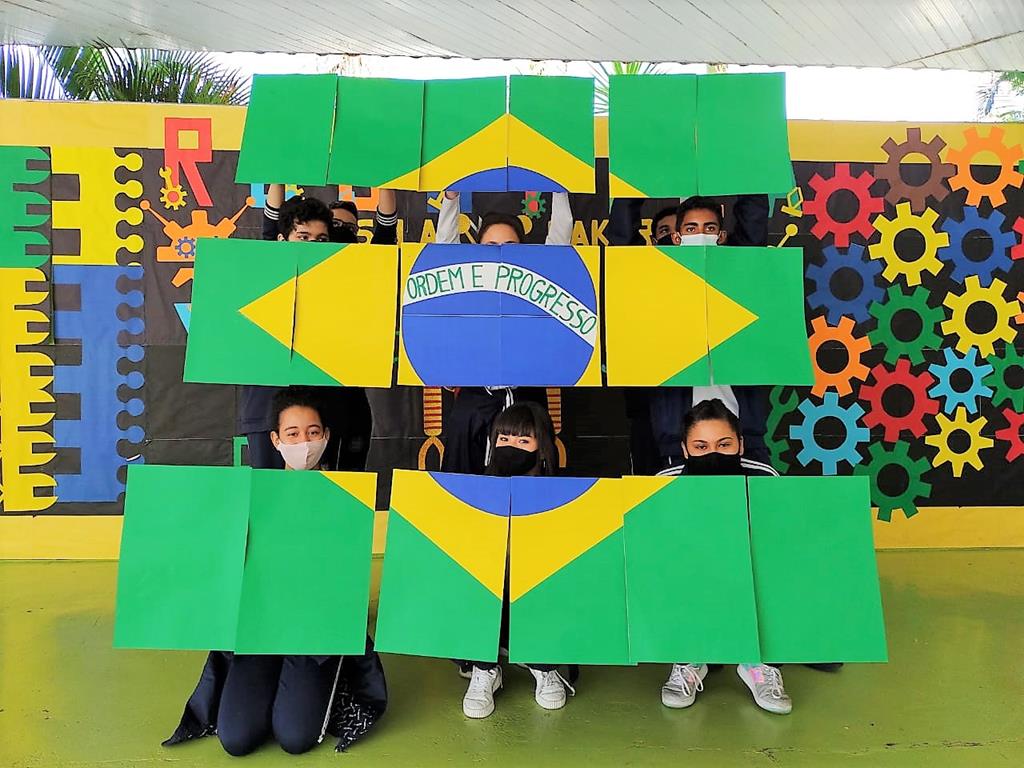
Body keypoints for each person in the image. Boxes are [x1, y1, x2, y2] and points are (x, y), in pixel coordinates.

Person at [165, 388, 388, 756]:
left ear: (327, 437)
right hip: (260, 633)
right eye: (293, 434)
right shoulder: (251, 499)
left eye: (313, 432)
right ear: (275, 440)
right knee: (236, 739)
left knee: (295, 738)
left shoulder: (346, 501)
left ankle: (318, 685)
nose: (304, 442)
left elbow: (343, 587)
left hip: (313, 636)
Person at [240, 186, 395, 472]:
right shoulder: (266, 271)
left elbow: (384, 243)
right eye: (303, 238)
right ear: (282, 240)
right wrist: (280, 162)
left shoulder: (347, 282)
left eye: (321, 239)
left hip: (330, 411)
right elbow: (271, 226)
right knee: (270, 503)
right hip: (267, 406)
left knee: (327, 504)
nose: (313, 246)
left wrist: (388, 175)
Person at [653, 398, 791, 715]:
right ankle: (689, 660)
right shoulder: (663, 483)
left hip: (748, 568)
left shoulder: (765, 477)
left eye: (723, 444)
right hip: (692, 571)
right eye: (701, 446)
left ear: (740, 445)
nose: (712, 453)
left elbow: (782, 542)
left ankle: (759, 664)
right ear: (685, 450)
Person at [433, 192, 573, 475]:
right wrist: (450, 198)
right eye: (491, 245)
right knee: (464, 485)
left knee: (532, 482)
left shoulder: (538, 287)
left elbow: (560, 241)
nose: (500, 251)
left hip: (526, 400)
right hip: (474, 403)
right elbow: (444, 251)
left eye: (510, 245)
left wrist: (559, 188)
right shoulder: (465, 288)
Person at [457, 401, 574, 719]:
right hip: (491, 591)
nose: (512, 446)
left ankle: (543, 664)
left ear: (541, 445)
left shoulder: (563, 495)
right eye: (504, 438)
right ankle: (485, 666)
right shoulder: (475, 492)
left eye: (524, 440)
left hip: (538, 593)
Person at [646, 195, 772, 468]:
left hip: (744, 444)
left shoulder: (739, 284)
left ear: (722, 236)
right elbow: (622, 241)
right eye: (691, 229)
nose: (701, 235)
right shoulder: (657, 288)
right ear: (677, 238)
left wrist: (745, 158)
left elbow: (753, 226)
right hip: (678, 446)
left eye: (710, 228)